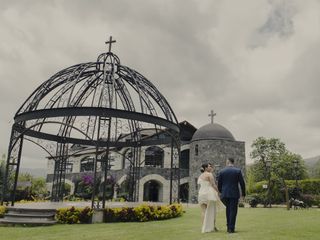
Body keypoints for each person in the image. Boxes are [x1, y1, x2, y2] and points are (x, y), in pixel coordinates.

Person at [218, 157, 246, 233]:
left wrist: (221, 191)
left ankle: (228, 227)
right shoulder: (238, 171)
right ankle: (231, 228)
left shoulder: (222, 171)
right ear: (233, 162)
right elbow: (242, 183)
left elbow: (219, 184)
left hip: (225, 194)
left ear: (228, 162)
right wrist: (243, 194)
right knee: (233, 210)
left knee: (228, 210)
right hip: (234, 194)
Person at [198, 163, 225, 233]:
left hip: (201, 194)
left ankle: (203, 227)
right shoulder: (209, 174)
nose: (211, 167)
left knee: (203, 211)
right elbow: (213, 185)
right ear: (206, 168)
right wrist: (219, 192)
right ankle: (213, 226)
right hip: (209, 194)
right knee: (212, 211)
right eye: (209, 166)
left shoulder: (201, 175)